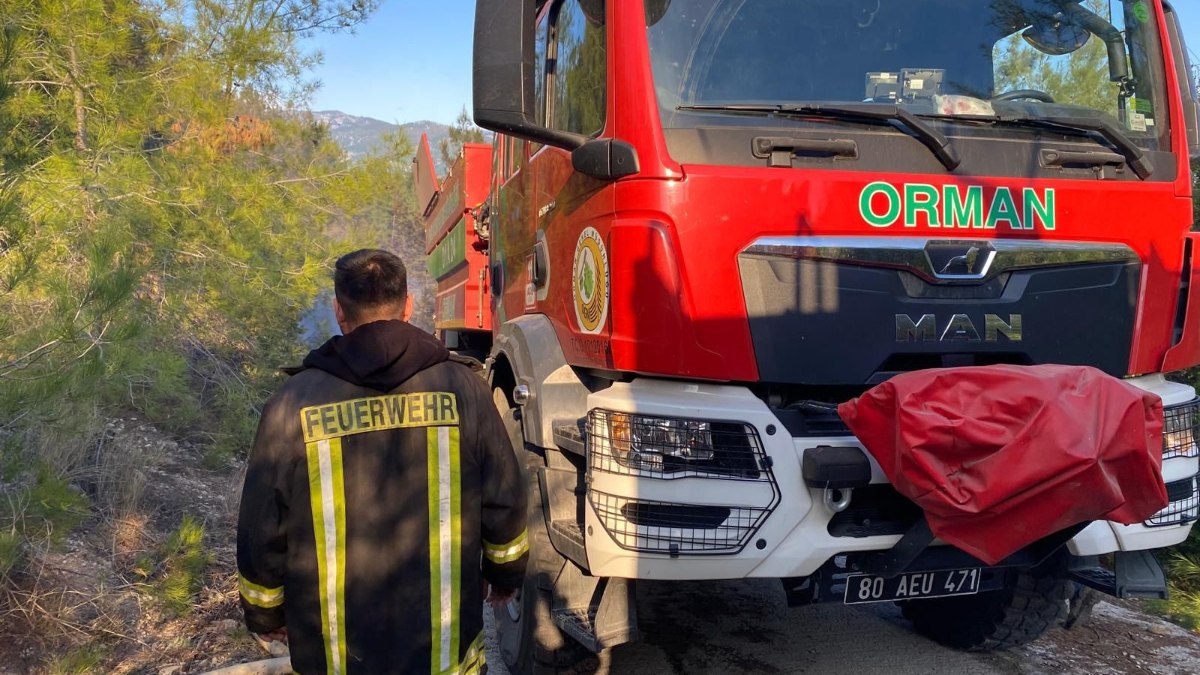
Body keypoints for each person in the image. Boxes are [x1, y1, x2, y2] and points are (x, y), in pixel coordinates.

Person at [236, 248, 528, 675]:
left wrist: (266, 612)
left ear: (339, 310)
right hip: (443, 655)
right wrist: (505, 575)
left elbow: (263, 523)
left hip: (333, 657)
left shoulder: (292, 403)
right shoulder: (463, 388)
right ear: (408, 305)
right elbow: (503, 494)